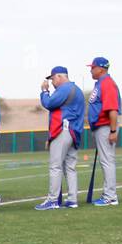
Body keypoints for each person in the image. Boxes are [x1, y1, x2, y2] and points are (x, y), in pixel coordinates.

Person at [35, 66, 85, 210]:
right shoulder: (77, 90)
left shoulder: (65, 88)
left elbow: (49, 103)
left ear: (59, 76)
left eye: (52, 79)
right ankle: (72, 199)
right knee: (70, 167)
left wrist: (44, 91)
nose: (51, 82)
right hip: (74, 131)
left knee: (55, 166)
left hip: (64, 130)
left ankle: (53, 200)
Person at [87, 57, 122, 206]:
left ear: (101, 68)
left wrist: (113, 131)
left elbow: (113, 110)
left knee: (107, 161)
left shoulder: (107, 83)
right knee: (106, 161)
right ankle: (108, 194)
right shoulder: (101, 83)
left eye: (93, 67)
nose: (91, 70)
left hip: (106, 126)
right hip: (101, 127)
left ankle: (110, 196)